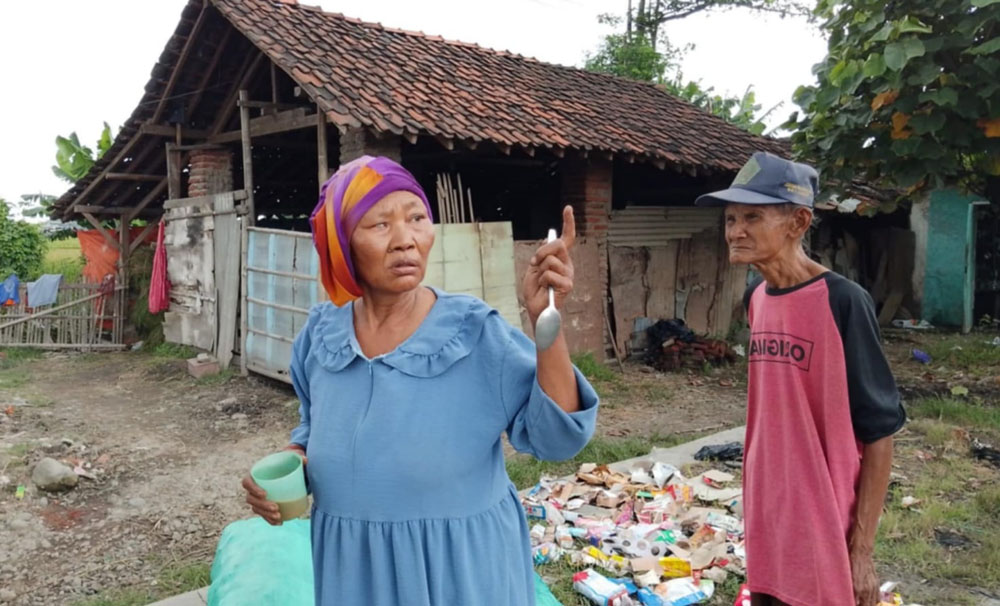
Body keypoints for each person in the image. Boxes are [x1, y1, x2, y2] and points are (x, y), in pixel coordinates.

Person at [241, 155, 599, 605]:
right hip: (356, 572)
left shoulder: (474, 334)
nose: (405, 240)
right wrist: (296, 462)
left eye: (416, 218)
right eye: (380, 224)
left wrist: (545, 319)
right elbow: (316, 426)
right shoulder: (320, 338)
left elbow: (558, 439)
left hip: (458, 572)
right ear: (342, 242)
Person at [695, 152, 905, 606]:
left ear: (798, 222)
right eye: (730, 218)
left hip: (822, 510)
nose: (735, 231)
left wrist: (861, 550)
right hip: (767, 504)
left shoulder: (842, 301)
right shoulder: (756, 298)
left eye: (752, 216)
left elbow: (880, 432)